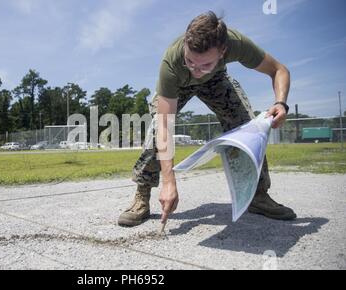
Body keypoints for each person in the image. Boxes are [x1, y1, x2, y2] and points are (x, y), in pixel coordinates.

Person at [118, 11, 297, 227]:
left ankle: (257, 195)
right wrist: (169, 182)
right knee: (157, 130)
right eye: (190, 61)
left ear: (223, 52)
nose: (196, 71)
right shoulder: (172, 62)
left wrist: (280, 103)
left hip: (216, 81)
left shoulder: (236, 44)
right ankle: (142, 196)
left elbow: (279, 70)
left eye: (204, 64)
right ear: (185, 44)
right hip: (178, 86)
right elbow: (166, 125)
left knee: (248, 126)